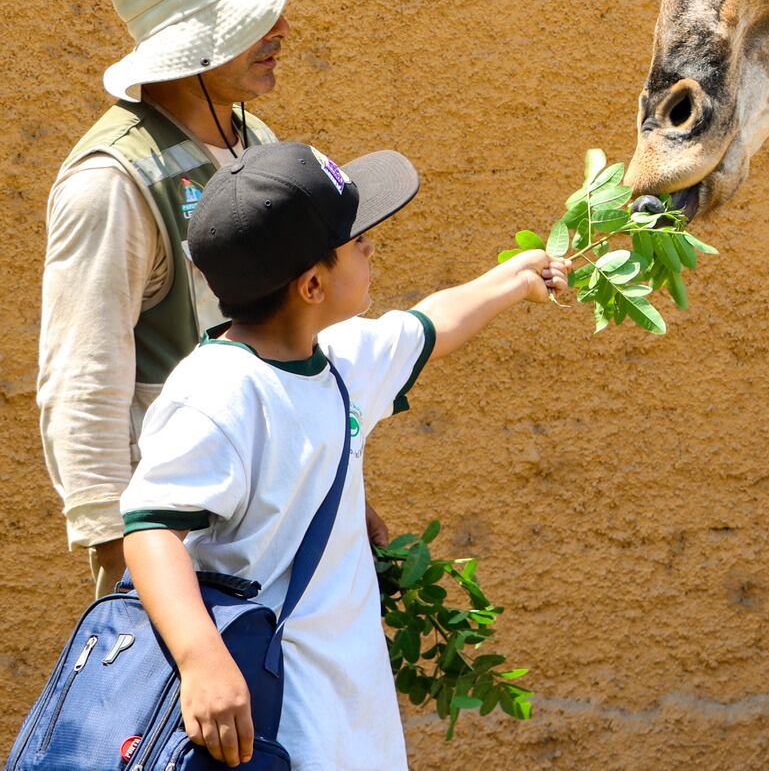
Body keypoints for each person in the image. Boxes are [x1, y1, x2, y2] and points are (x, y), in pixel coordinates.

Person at [120, 142, 569, 768]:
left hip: (349, 712)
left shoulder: (338, 362)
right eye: (358, 243)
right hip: (271, 713)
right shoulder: (217, 393)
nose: (372, 248)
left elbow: (430, 321)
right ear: (311, 284)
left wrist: (518, 277)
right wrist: (201, 662)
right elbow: (150, 530)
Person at [34, 0, 393, 597]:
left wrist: (340, 491)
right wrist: (130, 572)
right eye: (256, 17)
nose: (283, 29)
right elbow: (81, 383)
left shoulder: (255, 140)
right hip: (187, 550)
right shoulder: (113, 181)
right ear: (191, 45)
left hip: (273, 525)